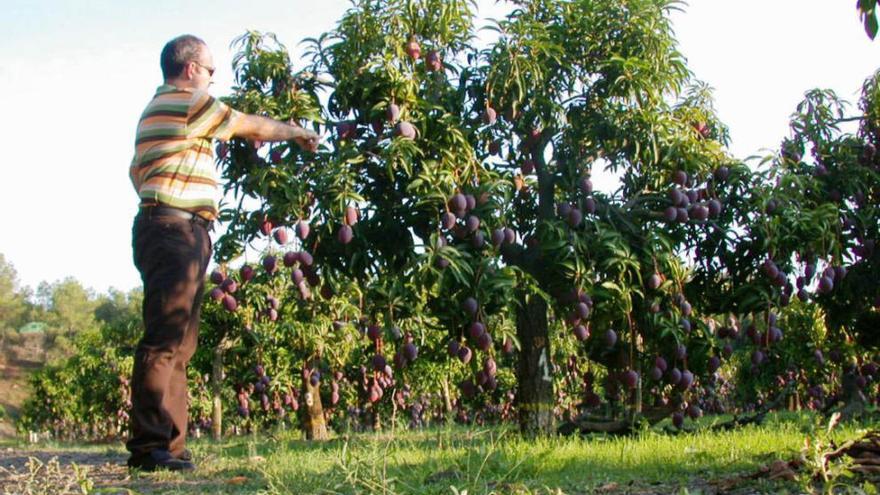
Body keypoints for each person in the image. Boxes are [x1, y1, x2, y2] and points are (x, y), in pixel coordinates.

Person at [126, 34, 319, 472]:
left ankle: (169, 448)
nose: (214, 79)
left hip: (177, 227)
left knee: (181, 343)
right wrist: (297, 132)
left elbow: (134, 174)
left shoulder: (160, 112)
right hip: (174, 229)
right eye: (212, 71)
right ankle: (147, 448)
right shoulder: (186, 101)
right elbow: (247, 124)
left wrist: (165, 202)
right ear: (191, 69)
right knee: (163, 339)